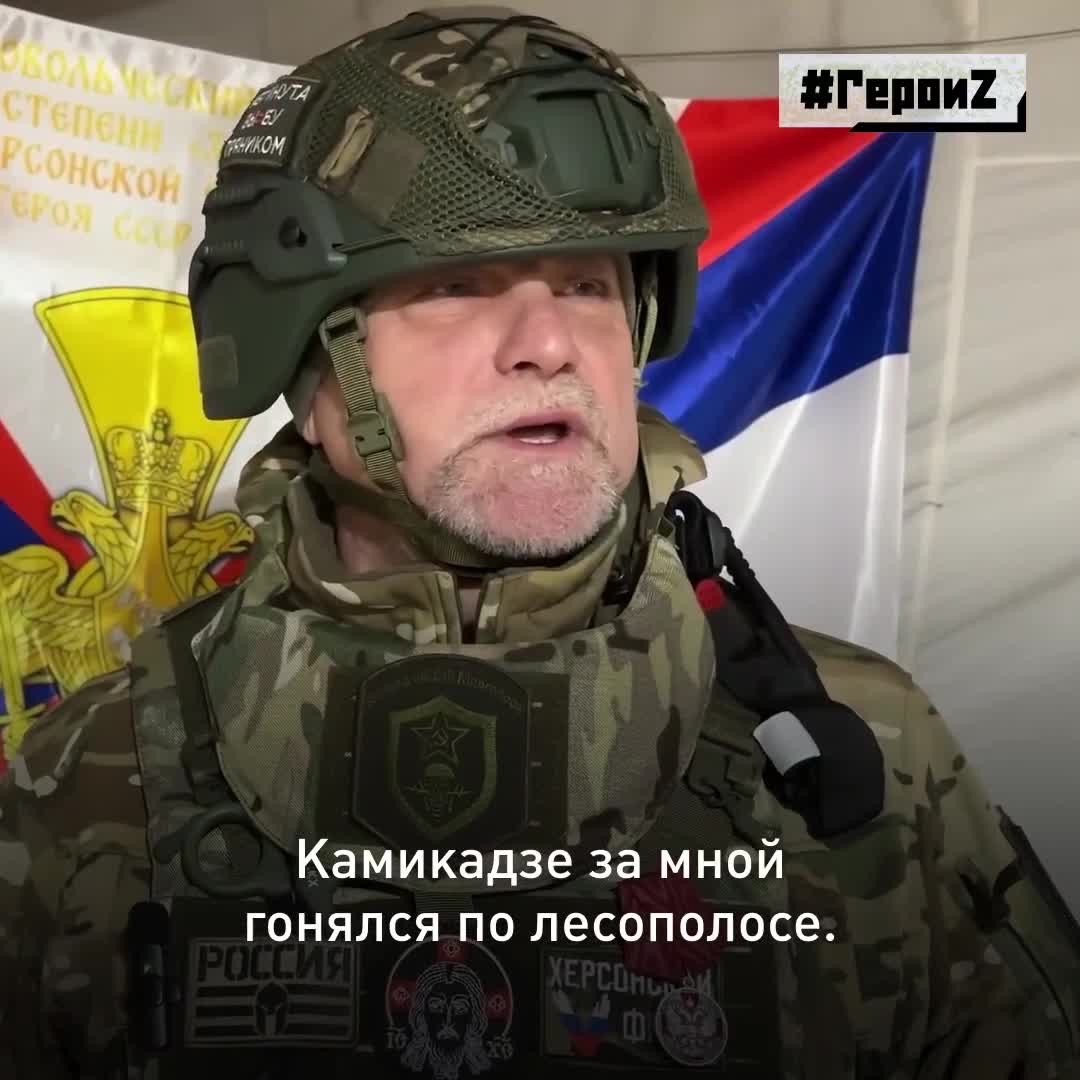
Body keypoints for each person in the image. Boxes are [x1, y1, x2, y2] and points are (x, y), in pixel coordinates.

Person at [1, 7, 1078, 1079]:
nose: (552, 343)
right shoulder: (87, 785)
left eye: (586, 285)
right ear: (304, 359)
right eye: (454, 286)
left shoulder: (860, 763)